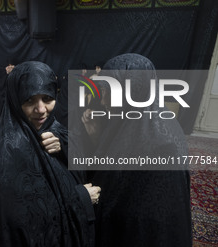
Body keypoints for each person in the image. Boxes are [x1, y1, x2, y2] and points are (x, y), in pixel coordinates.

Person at [0, 61, 100, 247]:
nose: (41, 110)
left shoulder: (53, 127)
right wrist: (81, 198)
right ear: (15, 101)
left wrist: (64, 147)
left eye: (47, 99)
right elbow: (26, 222)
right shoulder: (11, 149)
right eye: (29, 101)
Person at [78, 54, 192, 247]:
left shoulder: (161, 144)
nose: (102, 100)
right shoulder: (128, 120)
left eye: (107, 91)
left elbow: (149, 224)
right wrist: (95, 136)